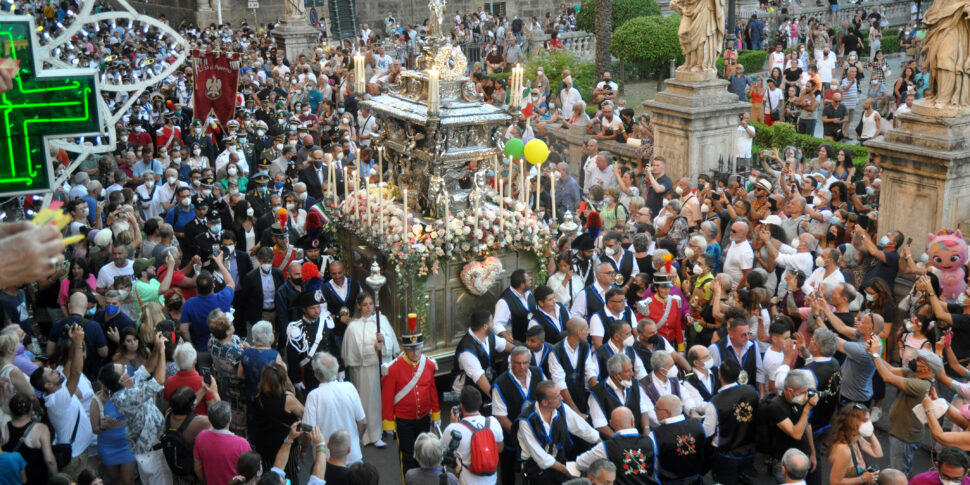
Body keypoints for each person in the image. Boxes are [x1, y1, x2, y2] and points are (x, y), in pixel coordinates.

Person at [97, 331, 172, 485]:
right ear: (121, 381)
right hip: (152, 454)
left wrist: (158, 348)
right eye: (123, 370)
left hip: (151, 451)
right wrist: (163, 353)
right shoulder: (125, 397)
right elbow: (158, 380)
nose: (126, 369)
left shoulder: (127, 384)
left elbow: (147, 368)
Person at [29, 324, 93, 478]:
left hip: (80, 451)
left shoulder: (57, 390)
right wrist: (78, 343)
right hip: (74, 457)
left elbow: (70, 366)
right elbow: (76, 372)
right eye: (52, 373)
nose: (56, 371)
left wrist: (71, 341)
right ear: (48, 385)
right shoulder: (57, 400)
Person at [381, 318, 440, 474]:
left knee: (424, 454)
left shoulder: (428, 364)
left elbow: (432, 390)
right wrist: (388, 423)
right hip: (403, 420)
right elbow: (387, 398)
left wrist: (436, 414)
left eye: (418, 349)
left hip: (423, 417)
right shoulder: (393, 368)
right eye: (411, 349)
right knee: (408, 457)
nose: (415, 353)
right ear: (405, 349)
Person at [872, 342, 938, 475]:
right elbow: (890, 369)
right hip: (901, 432)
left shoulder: (922, 385)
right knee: (903, 465)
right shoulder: (914, 374)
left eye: (919, 360)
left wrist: (875, 355)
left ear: (927, 369)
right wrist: (875, 354)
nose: (913, 360)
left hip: (904, 437)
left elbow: (887, 377)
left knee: (898, 473)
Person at [517, 380, 600, 482]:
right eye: (557, 396)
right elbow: (540, 457)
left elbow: (583, 429)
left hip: (559, 467)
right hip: (537, 472)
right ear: (545, 402)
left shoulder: (562, 409)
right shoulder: (526, 421)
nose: (562, 398)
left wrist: (601, 444)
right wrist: (565, 471)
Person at [758, 369, 821, 485]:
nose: (806, 396)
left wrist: (813, 453)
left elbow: (807, 426)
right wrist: (807, 408)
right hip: (785, 463)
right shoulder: (775, 407)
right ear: (791, 391)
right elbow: (796, 434)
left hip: (802, 457)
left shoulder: (798, 400)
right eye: (803, 392)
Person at [303, 352, 366, 464]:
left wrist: (303, 450)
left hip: (325, 459)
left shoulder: (313, 396)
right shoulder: (349, 387)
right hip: (352, 454)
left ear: (317, 373)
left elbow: (308, 431)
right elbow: (362, 422)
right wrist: (358, 439)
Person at [492, 346, 542, 485]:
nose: (522, 367)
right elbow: (500, 416)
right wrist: (520, 435)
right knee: (508, 473)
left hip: (536, 434)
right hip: (511, 438)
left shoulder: (538, 373)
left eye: (525, 363)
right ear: (511, 362)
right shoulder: (500, 384)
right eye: (518, 363)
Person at [442, 385, 503, 485]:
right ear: (480, 403)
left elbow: (441, 452)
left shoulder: (453, 429)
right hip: (491, 480)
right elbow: (500, 448)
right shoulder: (493, 422)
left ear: (461, 405)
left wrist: (454, 424)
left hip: (466, 482)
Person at [575, 407, 655, 482]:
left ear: (611, 424)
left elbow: (580, 463)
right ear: (632, 422)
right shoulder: (651, 441)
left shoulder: (605, 447)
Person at [452, 309, 513, 401]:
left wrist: (521, 352)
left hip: (483, 387)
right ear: (485, 326)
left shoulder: (489, 336)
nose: (493, 324)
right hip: (467, 394)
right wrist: (497, 400)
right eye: (492, 321)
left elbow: (505, 345)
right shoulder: (467, 351)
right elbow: (479, 378)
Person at [286, 289, 338, 392]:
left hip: (328, 371)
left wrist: (340, 369)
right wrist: (297, 379)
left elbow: (334, 348)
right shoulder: (296, 328)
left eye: (318, 307)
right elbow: (292, 357)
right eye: (312, 308)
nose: (317, 311)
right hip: (309, 374)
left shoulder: (326, 322)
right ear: (304, 309)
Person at [588, 353, 651, 437]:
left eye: (632, 369)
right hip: (613, 442)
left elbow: (643, 410)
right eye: (628, 371)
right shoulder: (597, 393)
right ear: (616, 375)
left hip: (638, 437)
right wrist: (621, 442)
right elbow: (600, 425)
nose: (632, 374)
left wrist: (646, 432)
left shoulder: (635, 385)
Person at [179, 257, 235, 350]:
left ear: (196, 287)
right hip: (225, 347)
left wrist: (191, 346)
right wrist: (220, 263)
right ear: (213, 285)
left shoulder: (189, 304)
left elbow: (183, 329)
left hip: (202, 348)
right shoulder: (224, 297)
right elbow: (230, 283)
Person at [193, 401, 252, 485]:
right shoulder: (242, 444)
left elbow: (197, 468)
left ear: (209, 419)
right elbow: (249, 472)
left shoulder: (200, 437)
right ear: (230, 419)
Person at [653, 395, 708, 484]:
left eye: (657, 408)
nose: (654, 411)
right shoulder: (698, 425)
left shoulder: (655, 434)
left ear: (667, 412)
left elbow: (654, 465)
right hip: (696, 480)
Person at [3, 393, 56, 484]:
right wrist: (56, 477)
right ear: (31, 408)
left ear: (11, 409)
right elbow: (49, 459)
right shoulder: (41, 429)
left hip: (13, 479)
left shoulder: (3, 427)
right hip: (37, 479)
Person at [826, 403, 882, 485]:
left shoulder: (857, 439)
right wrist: (863, 478)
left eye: (869, 419)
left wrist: (871, 433)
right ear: (852, 422)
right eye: (865, 420)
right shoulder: (844, 450)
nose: (869, 423)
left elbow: (877, 453)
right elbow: (835, 482)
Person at [493, 269, 536, 344]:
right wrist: (506, 337)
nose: (530, 281)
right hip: (518, 343)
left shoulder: (528, 292)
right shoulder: (504, 302)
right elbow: (497, 324)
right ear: (522, 285)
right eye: (528, 280)